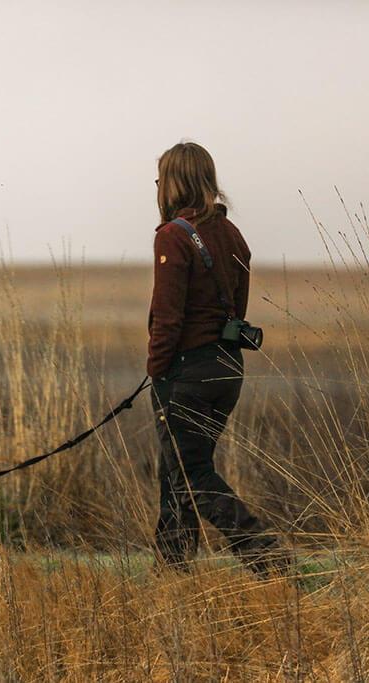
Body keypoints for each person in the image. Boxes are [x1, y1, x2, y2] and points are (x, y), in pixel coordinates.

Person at [147, 141, 280, 576]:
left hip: (187, 373)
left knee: (190, 474)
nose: (156, 186)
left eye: (160, 177)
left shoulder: (172, 236)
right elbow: (236, 309)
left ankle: (266, 556)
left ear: (174, 183)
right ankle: (173, 569)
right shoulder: (232, 233)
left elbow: (167, 318)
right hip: (228, 369)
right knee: (179, 468)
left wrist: (157, 372)